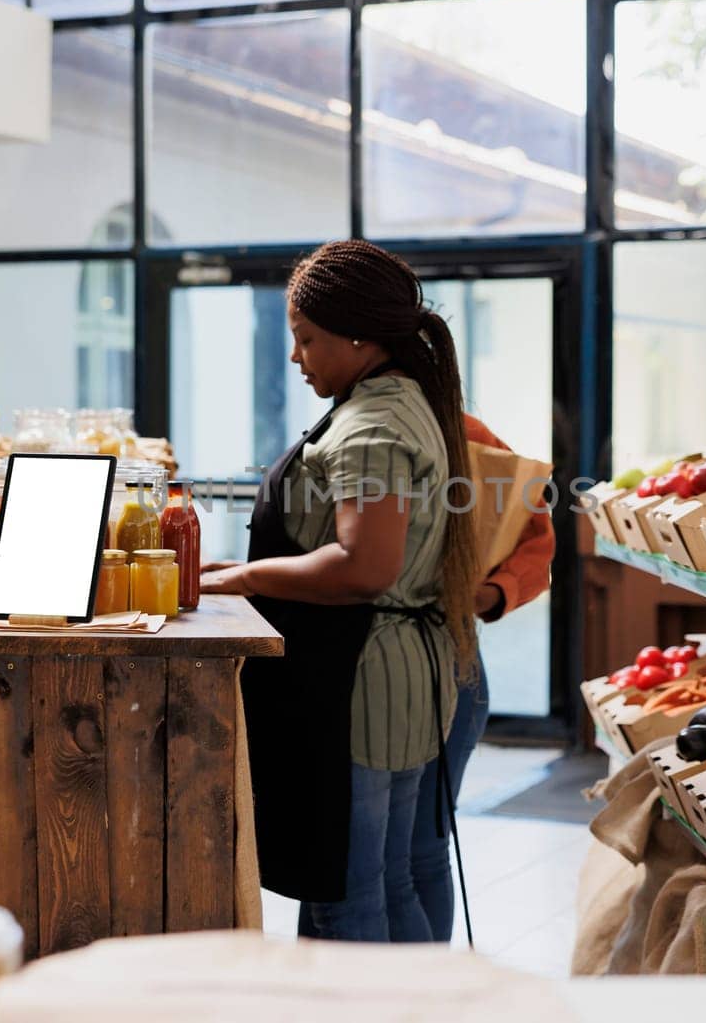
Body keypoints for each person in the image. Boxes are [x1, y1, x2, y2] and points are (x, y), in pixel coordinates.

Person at [200, 239, 482, 942]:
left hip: (361, 685)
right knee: (389, 880)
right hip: (402, 675)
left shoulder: (371, 427)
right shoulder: (407, 399)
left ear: (358, 335)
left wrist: (242, 577)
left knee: (347, 899)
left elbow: (364, 566)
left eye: (307, 339)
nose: (297, 358)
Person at [407, 415, 555, 942]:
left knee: (423, 845)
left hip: (451, 659)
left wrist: (491, 592)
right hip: (378, 668)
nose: (297, 357)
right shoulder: (346, 423)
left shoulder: (465, 433)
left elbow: (535, 533)